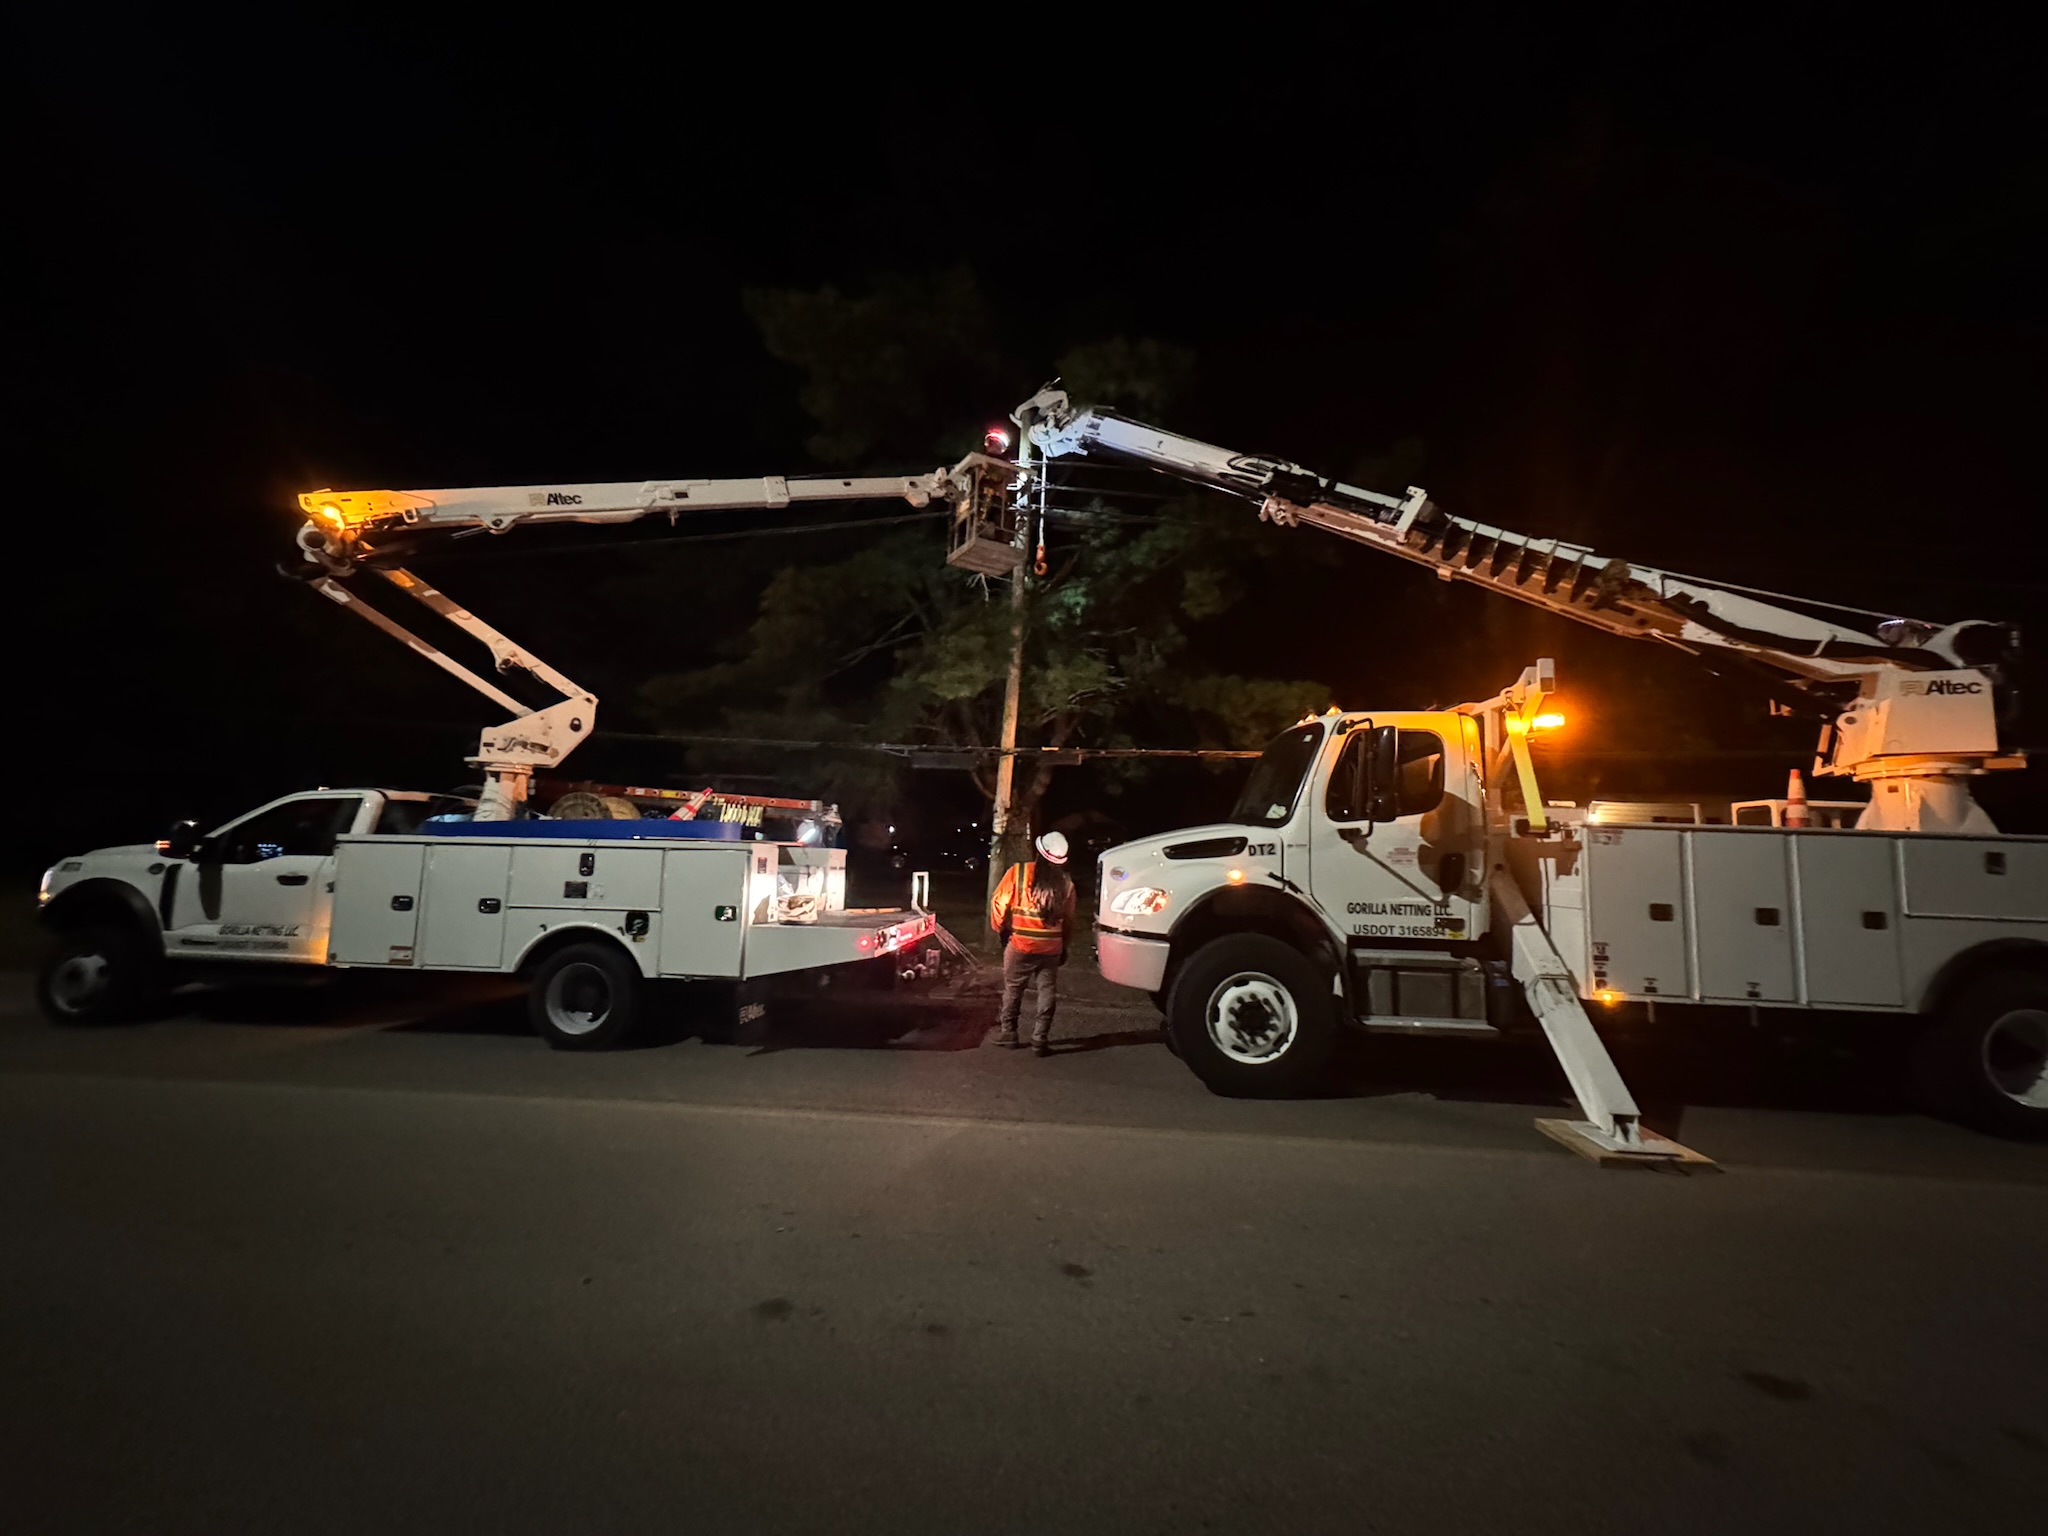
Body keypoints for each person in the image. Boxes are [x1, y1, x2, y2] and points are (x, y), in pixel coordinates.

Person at [988, 830, 1077, 1057]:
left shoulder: (1018, 872)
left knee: (1013, 988)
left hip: (1021, 945)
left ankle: (1009, 1033)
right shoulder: (1067, 884)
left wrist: (1000, 929)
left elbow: (999, 902)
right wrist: (1063, 944)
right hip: (1051, 948)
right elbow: (1069, 919)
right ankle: (1040, 1038)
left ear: (1039, 852)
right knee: (1047, 991)